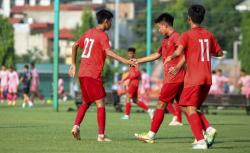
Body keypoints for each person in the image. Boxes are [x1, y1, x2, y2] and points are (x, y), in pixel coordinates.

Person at [68, 9, 134, 142]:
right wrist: (126, 61)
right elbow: (109, 52)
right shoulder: (102, 35)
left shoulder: (88, 33)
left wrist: (73, 64)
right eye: (111, 21)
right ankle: (101, 136)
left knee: (86, 102)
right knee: (100, 103)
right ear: (106, 21)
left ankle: (76, 126)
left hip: (82, 73)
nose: (111, 24)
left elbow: (75, 45)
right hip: (93, 74)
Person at [164, 5, 223, 149]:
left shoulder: (186, 35)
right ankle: (204, 132)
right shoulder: (208, 34)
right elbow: (220, 53)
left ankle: (202, 139)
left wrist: (170, 57)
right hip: (207, 79)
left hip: (194, 78)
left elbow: (178, 52)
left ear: (189, 18)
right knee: (189, 107)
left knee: (189, 108)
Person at [134, 13, 185, 143]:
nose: (159, 30)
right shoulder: (166, 40)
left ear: (165, 25)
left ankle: (150, 135)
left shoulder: (176, 37)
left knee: (161, 104)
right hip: (174, 79)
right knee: (187, 107)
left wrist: (178, 67)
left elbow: (186, 54)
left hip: (174, 79)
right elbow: (156, 55)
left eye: (159, 27)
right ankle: (206, 131)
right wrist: (138, 60)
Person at [119, 48, 154, 120]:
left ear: (134, 54)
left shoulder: (135, 61)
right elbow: (130, 74)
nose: (129, 55)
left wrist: (129, 79)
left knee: (128, 97)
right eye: (128, 53)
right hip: (133, 82)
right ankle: (150, 110)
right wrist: (123, 79)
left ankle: (127, 115)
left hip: (134, 83)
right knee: (135, 100)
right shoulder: (130, 62)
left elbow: (138, 73)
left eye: (131, 53)